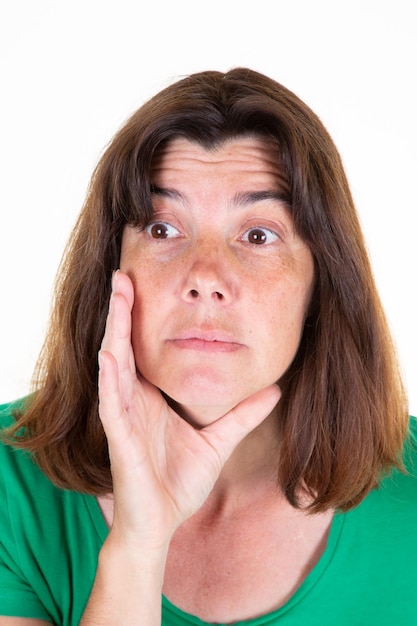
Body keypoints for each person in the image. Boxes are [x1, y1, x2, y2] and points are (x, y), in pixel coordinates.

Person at [0, 67, 415, 626]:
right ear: (111, 268)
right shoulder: (11, 485)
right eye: (163, 228)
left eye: (258, 235)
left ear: (322, 284)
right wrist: (137, 543)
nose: (205, 275)